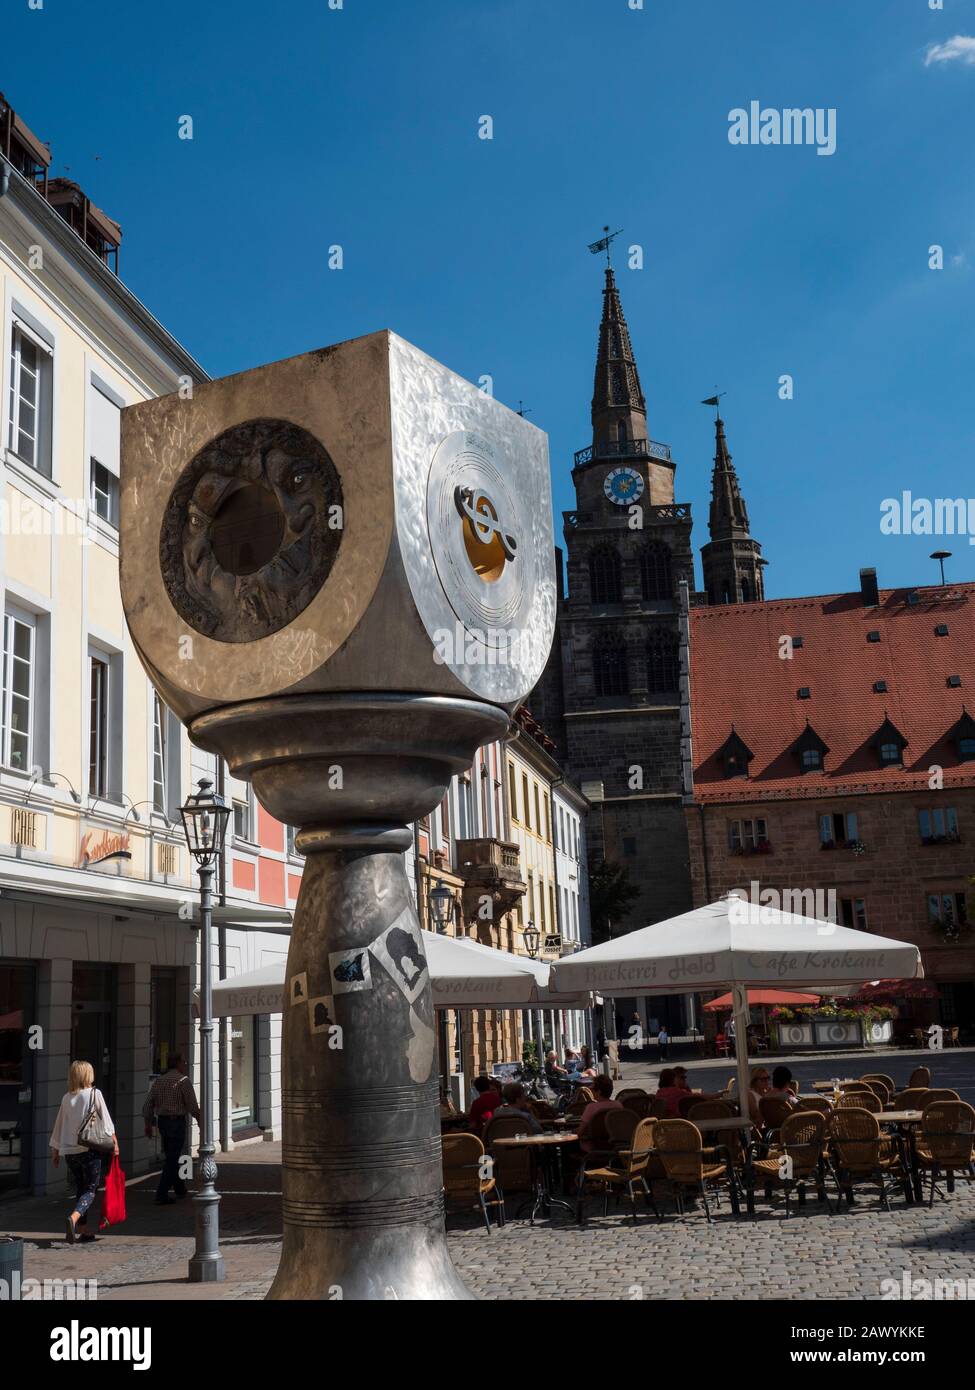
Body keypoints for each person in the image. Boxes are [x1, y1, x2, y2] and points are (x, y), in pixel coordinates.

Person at [50, 1060, 118, 1244]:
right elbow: (107, 1121)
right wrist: (115, 1143)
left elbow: (59, 1125)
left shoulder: (66, 1098)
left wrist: (55, 1151)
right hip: (89, 1149)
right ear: (88, 1075)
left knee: (81, 1187)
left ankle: (84, 1231)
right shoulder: (95, 1094)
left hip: (70, 1152)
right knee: (91, 1189)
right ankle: (73, 1218)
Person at [141, 1053, 201, 1205]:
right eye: (184, 1062)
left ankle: (180, 1188)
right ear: (178, 1064)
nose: (185, 1065)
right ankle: (161, 1194)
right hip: (177, 1122)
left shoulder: (159, 1081)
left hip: (163, 1123)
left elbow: (147, 1105)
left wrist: (148, 1124)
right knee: (172, 1158)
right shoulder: (183, 1080)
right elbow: (192, 1105)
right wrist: (200, 1121)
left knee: (171, 1155)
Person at [576, 1075, 623, 1152]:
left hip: (593, 1147)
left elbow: (580, 1132)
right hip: (614, 1146)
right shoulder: (618, 1105)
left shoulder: (591, 1107)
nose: (591, 1091)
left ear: (599, 1091)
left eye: (593, 1089)